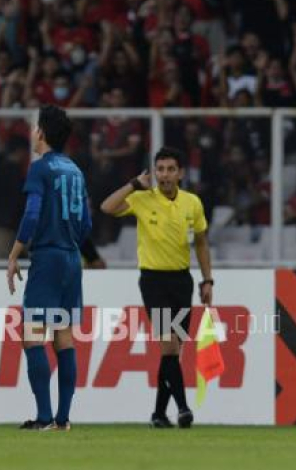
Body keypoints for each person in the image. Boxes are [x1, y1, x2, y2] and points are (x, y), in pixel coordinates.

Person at [101, 146, 213, 429]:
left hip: (182, 280)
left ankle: (159, 414)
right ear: (154, 172)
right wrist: (131, 184)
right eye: (160, 169)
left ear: (181, 173)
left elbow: (201, 241)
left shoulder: (192, 203)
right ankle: (184, 408)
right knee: (169, 345)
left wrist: (207, 279)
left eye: (170, 169)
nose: (165, 175)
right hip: (153, 281)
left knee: (173, 352)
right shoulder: (141, 198)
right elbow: (107, 207)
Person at [6, 105, 92, 431]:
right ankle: (63, 419)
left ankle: (43, 417)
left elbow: (31, 214)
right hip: (72, 258)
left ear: (41, 132)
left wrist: (15, 253)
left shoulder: (40, 168)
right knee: (64, 338)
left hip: (48, 258)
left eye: (34, 127)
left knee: (32, 337)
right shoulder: (75, 170)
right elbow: (86, 223)